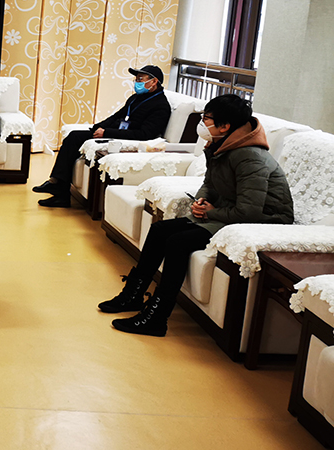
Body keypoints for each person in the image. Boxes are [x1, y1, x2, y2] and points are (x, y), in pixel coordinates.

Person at [98, 94, 294, 336]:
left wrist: (212, 212)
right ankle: (133, 295)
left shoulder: (250, 157)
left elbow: (250, 211)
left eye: (207, 118)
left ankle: (157, 317)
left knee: (177, 242)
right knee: (160, 230)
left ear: (225, 126)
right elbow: (209, 183)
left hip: (262, 221)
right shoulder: (220, 144)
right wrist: (201, 201)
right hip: (231, 211)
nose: (202, 123)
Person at [36, 65, 172, 208]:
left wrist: (106, 132)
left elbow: (144, 135)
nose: (136, 83)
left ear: (154, 81)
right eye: (136, 79)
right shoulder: (135, 98)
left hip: (125, 139)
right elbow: (116, 116)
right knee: (74, 136)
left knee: (75, 137)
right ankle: (57, 185)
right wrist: (97, 127)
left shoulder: (161, 106)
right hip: (114, 132)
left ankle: (59, 189)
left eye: (140, 79)